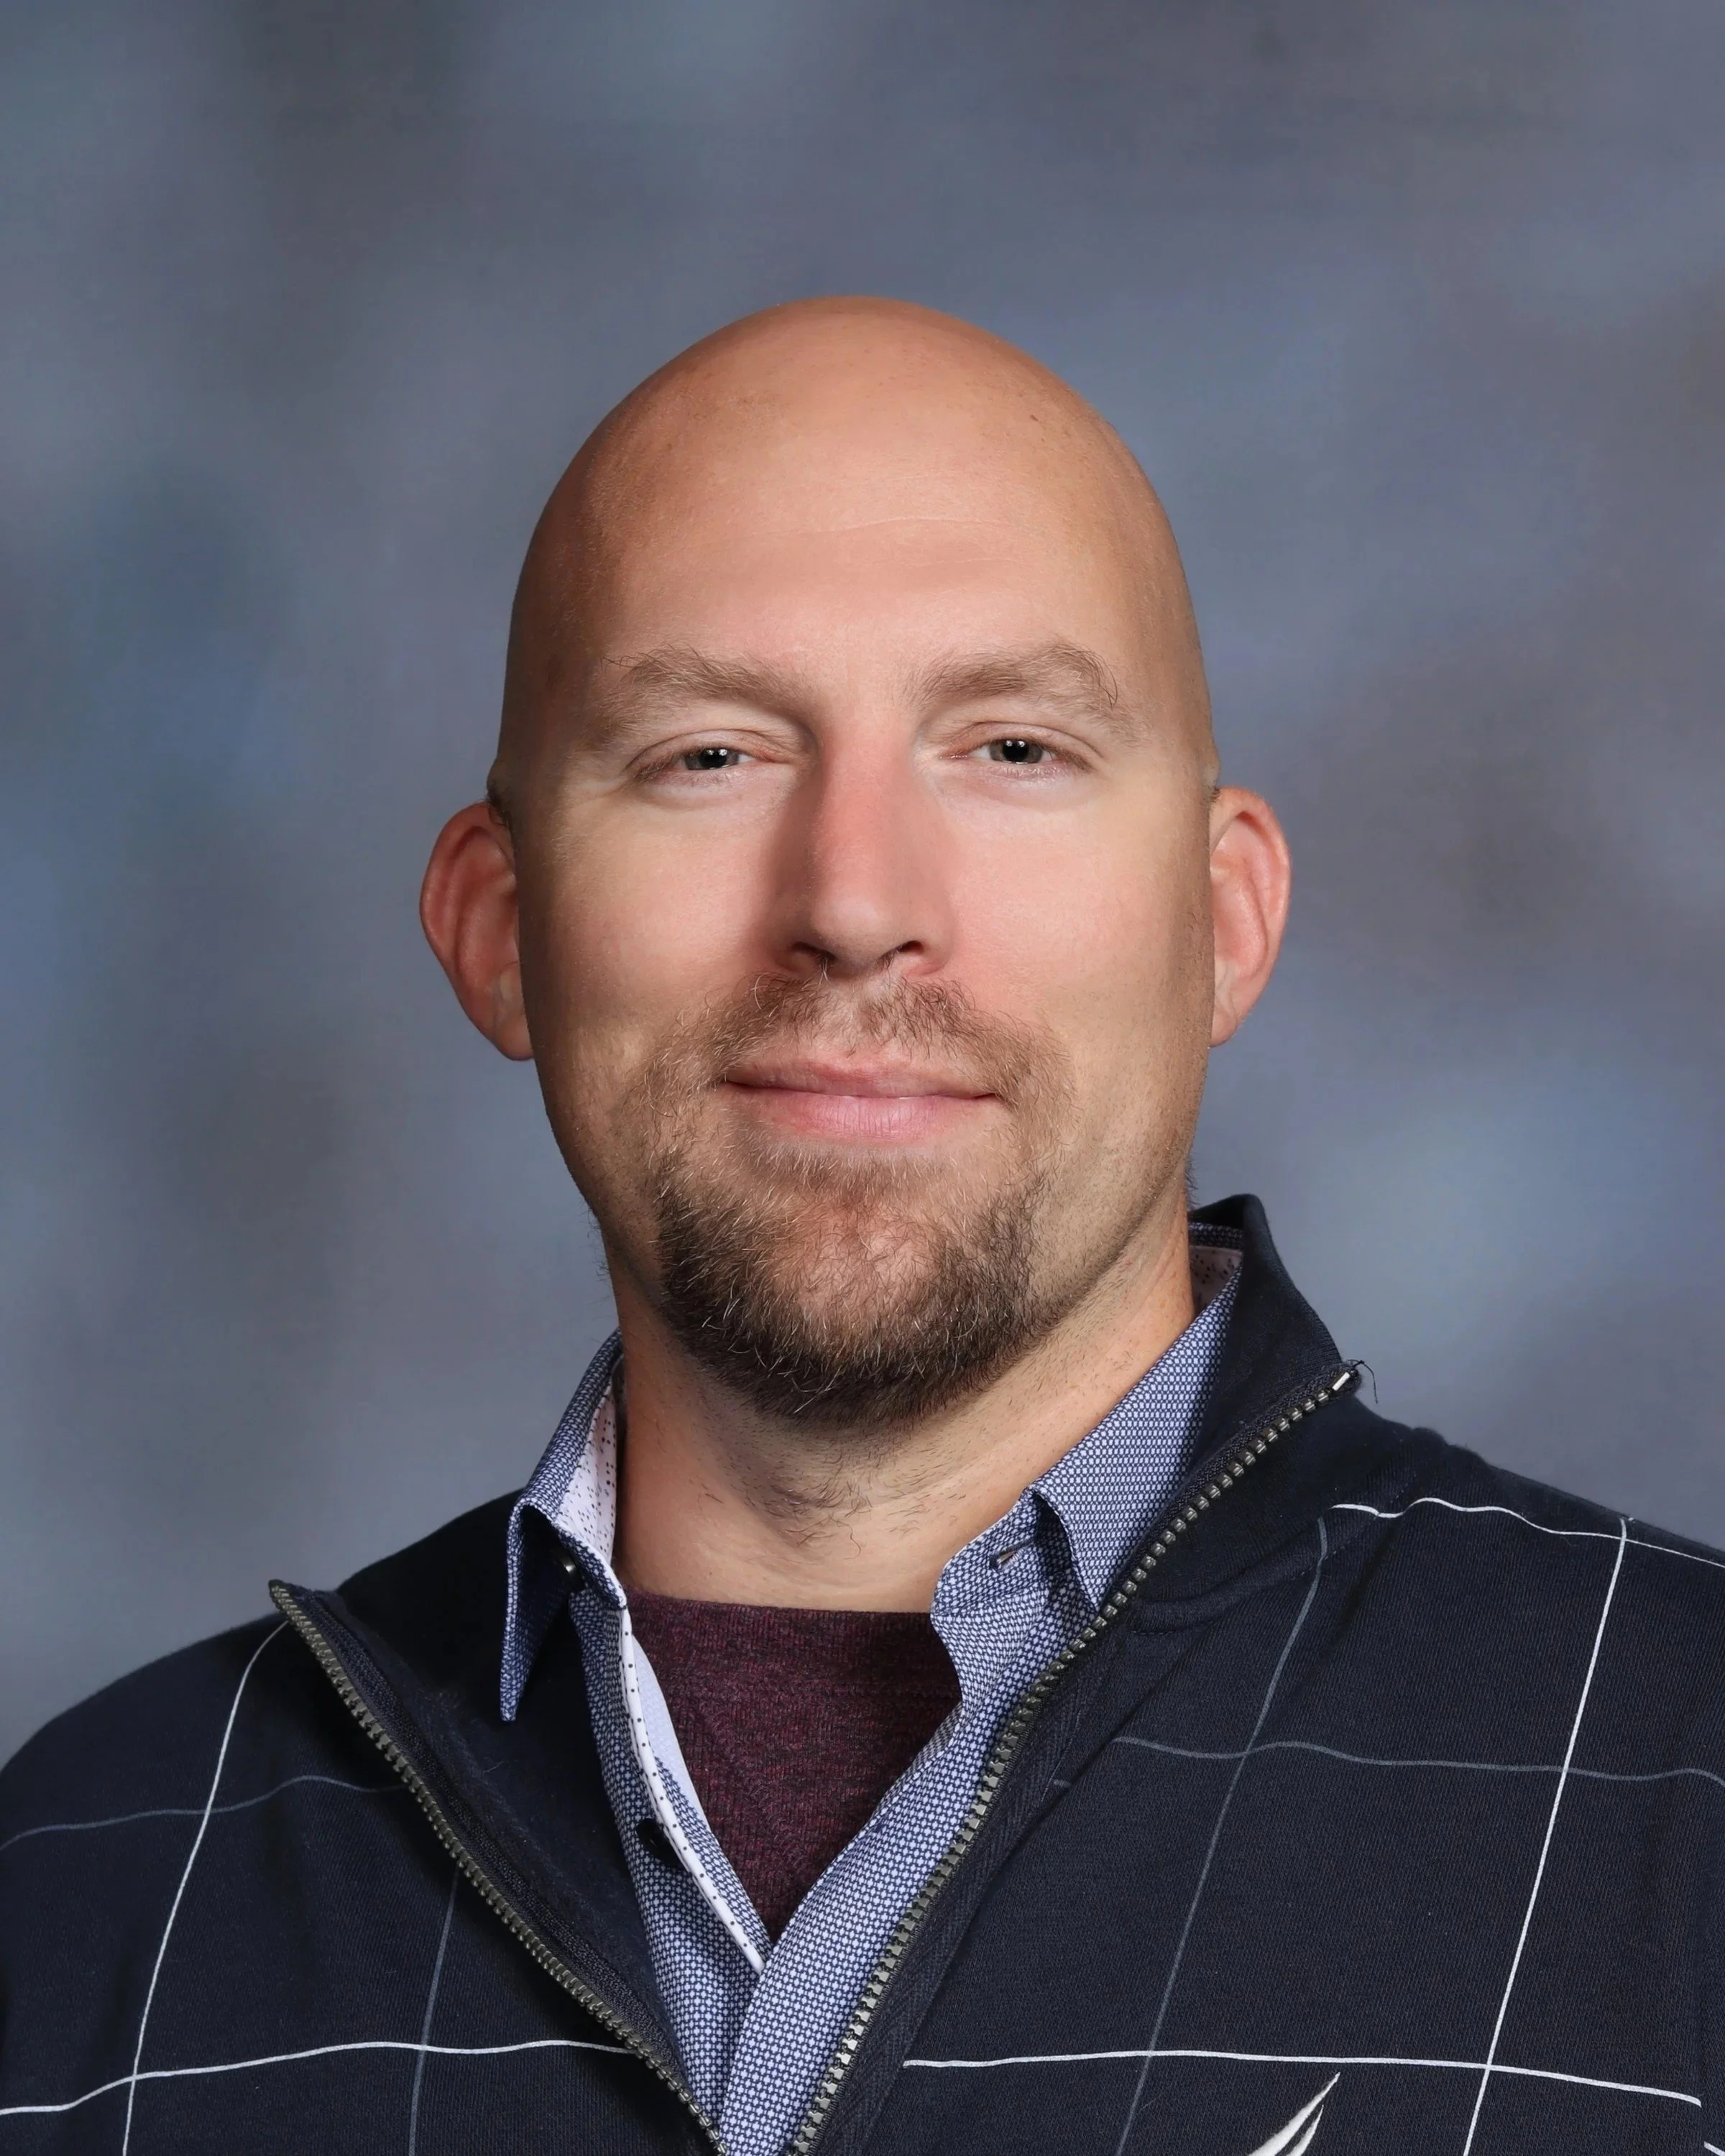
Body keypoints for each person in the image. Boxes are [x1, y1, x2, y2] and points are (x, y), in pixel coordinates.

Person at [3, 299, 1722, 2156]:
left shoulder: (1680, 1801)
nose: (853, 903)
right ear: (500, 926)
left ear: (1223, 920)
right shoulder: (92, 1895)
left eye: (1012, 750)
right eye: (710, 758)